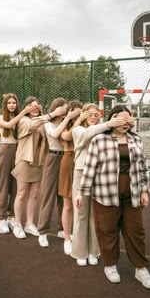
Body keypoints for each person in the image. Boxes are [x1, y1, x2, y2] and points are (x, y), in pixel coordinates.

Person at [76, 105, 150, 290]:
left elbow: (143, 166)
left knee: (136, 231)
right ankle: (110, 265)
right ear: (112, 120)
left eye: (128, 119)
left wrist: (145, 190)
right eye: (121, 118)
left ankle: (140, 268)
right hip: (105, 193)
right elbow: (89, 168)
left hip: (133, 192)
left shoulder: (136, 139)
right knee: (107, 230)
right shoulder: (99, 140)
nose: (125, 122)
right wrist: (82, 191)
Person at [71, 103, 129, 266]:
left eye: (96, 115)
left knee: (95, 215)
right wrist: (108, 124)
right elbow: (87, 134)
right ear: (83, 115)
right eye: (89, 114)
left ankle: (94, 251)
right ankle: (79, 252)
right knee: (81, 213)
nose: (93, 117)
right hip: (82, 173)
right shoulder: (78, 130)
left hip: (99, 175)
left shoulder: (104, 131)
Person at [11, 96, 65, 239]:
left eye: (37, 106)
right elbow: (33, 125)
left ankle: (29, 223)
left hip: (39, 161)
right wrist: (52, 114)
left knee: (34, 194)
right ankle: (17, 224)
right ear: (26, 108)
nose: (35, 109)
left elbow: (49, 128)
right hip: (24, 160)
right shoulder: (24, 120)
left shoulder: (42, 121)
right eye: (31, 106)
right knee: (22, 193)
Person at [37, 97, 80, 248]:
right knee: (48, 195)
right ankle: (42, 231)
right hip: (53, 158)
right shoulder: (48, 124)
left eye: (66, 109)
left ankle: (62, 229)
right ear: (56, 109)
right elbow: (55, 135)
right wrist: (66, 117)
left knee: (64, 196)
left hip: (67, 159)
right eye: (62, 109)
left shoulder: (68, 124)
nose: (65, 111)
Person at [0, 93, 34, 234]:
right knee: (4, 185)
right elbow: (9, 125)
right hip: (6, 151)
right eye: (9, 102)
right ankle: (2, 219)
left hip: (19, 151)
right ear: (5, 105)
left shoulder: (21, 119)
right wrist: (24, 111)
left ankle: (11, 216)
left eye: (14, 102)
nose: (12, 105)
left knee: (15, 186)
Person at [58, 100, 83, 255]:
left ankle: (81, 237)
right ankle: (67, 238)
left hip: (83, 163)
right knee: (68, 204)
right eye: (73, 113)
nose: (76, 116)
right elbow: (67, 137)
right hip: (68, 161)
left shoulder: (86, 126)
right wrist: (76, 120)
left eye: (79, 113)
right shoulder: (65, 126)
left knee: (82, 205)